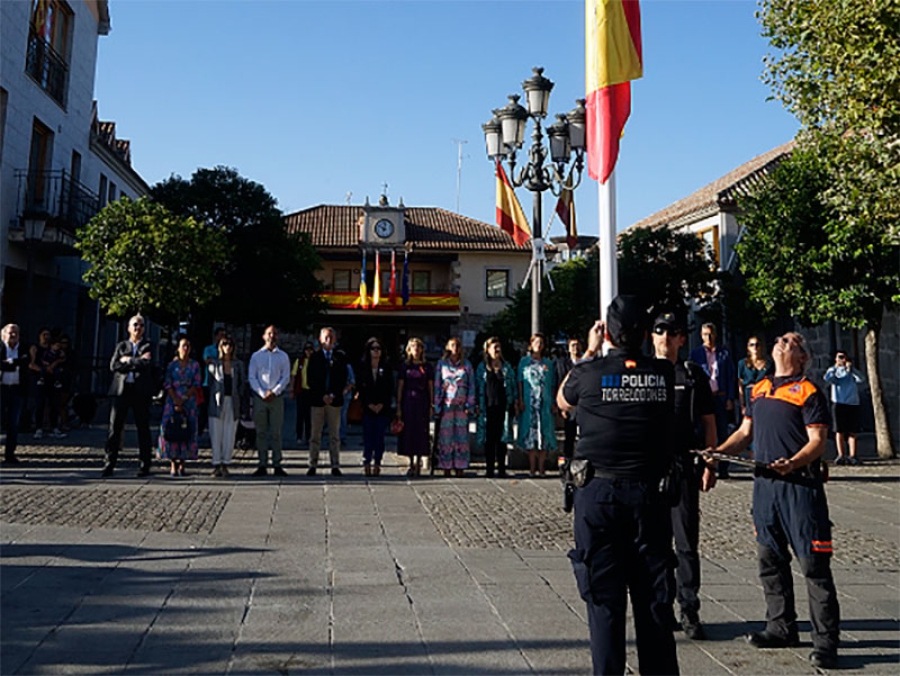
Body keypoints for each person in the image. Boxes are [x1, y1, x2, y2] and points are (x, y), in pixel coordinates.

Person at [557, 295, 678, 676]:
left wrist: (590, 352)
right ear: (644, 334)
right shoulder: (663, 374)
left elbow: (562, 401)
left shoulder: (588, 374)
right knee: (654, 603)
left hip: (600, 495)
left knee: (605, 604)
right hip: (649, 495)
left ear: (607, 332)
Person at [714, 332, 840, 670]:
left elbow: (817, 441)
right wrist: (717, 454)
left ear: (802, 358)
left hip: (800, 487)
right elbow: (744, 433)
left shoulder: (808, 391)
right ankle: (780, 626)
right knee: (769, 560)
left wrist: (794, 462)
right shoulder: (759, 388)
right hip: (765, 487)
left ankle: (826, 642)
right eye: (781, 339)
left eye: (791, 341)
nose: (782, 342)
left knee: (814, 566)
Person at [652, 309, 718, 641]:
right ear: (652, 337)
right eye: (659, 330)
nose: (665, 336)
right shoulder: (644, 373)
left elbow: (708, 421)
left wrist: (711, 463)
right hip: (650, 469)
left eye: (671, 331)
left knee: (686, 542)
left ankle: (689, 607)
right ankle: (661, 605)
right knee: (654, 542)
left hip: (683, 465)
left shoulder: (692, 375)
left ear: (681, 338)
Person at [103, 315, 155, 478]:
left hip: (140, 392)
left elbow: (148, 365)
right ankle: (109, 464)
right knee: (115, 428)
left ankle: (144, 464)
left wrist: (129, 361)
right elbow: (114, 365)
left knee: (143, 429)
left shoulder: (148, 346)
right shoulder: (121, 346)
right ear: (128, 327)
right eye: (135, 325)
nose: (137, 328)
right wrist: (136, 362)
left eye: (141, 325)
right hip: (121, 391)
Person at [690, 322, 737, 478]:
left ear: (715, 335)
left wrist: (730, 398)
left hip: (720, 397)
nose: (708, 338)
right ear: (701, 336)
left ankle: (724, 469)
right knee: (704, 434)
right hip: (704, 398)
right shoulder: (695, 354)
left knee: (723, 434)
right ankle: (705, 468)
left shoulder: (724, 353)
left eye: (710, 334)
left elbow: (731, 377)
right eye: (705, 335)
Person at [248, 325, 291, 477]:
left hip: (276, 398)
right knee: (260, 432)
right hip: (260, 397)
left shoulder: (283, 356)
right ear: (264, 336)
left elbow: (286, 377)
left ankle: (277, 464)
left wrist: (275, 391)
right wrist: (261, 392)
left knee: (276, 432)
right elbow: (252, 377)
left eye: (274, 333)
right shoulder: (256, 356)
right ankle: (262, 464)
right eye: (269, 333)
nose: (272, 336)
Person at [306, 326, 349, 477]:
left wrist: (333, 395)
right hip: (318, 401)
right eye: (326, 337)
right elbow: (310, 379)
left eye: (331, 337)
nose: (328, 340)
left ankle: (335, 465)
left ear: (335, 340)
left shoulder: (340, 357)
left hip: (334, 401)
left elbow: (342, 378)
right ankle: (313, 464)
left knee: (334, 435)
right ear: (320, 339)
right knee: (315, 435)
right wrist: (322, 395)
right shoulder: (315, 357)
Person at [158, 337, 201, 477]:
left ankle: (183, 463)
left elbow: (196, 383)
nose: (185, 349)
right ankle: (172, 463)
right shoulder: (172, 365)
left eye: (188, 346)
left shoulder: (194, 365)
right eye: (183, 346)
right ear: (178, 348)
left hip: (188, 401)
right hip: (172, 400)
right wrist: (176, 399)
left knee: (186, 430)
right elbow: (167, 383)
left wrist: (185, 398)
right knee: (170, 430)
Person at [474, 336, 517, 478]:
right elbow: (477, 386)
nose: (497, 349)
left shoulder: (507, 367)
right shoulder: (482, 368)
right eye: (494, 347)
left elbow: (513, 386)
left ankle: (502, 468)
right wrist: (476, 404)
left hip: (503, 407)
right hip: (487, 407)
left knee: (502, 438)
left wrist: (514, 401)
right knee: (489, 439)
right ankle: (490, 468)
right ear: (487, 350)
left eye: (498, 347)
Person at [517, 333, 557, 477]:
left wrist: (553, 402)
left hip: (544, 404)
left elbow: (552, 384)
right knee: (530, 436)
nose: (538, 345)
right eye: (536, 343)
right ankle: (532, 469)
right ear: (531, 345)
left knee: (544, 435)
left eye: (541, 343)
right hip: (530, 403)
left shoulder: (548, 363)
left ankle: (542, 469)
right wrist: (520, 399)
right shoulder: (524, 362)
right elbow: (520, 382)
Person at [434, 336, 475, 477]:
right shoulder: (442, 364)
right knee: (446, 437)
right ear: (447, 347)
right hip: (447, 404)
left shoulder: (467, 365)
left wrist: (470, 404)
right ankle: (446, 466)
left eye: (457, 345)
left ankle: (460, 466)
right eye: (452, 345)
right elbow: (437, 385)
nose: (455, 348)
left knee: (461, 437)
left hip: (462, 406)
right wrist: (437, 404)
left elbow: (471, 385)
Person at [207, 334, 246, 477]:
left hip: (232, 401)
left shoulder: (238, 364)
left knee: (229, 433)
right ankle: (216, 463)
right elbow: (211, 383)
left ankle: (226, 463)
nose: (227, 347)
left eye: (230, 344)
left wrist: (240, 399)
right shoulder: (214, 364)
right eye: (224, 344)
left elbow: (242, 384)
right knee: (216, 433)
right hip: (217, 402)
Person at [396, 338, 434, 476]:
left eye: (418, 347)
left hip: (422, 402)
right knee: (409, 432)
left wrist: (431, 404)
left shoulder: (427, 367)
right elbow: (400, 386)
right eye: (413, 347)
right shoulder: (405, 366)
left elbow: (430, 386)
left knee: (421, 432)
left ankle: (419, 461)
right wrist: (399, 405)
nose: (416, 349)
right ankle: (411, 462)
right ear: (409, 349)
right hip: (408, 401)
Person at [356, 338, 393, 476]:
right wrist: (369, 403)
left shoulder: (386, 366)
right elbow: (360, 387)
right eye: (373, 348)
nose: (376, 351)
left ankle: (377, 462)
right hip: (368, 407)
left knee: (379, 436)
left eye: (378, 348)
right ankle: (367, 461)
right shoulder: (363, 366)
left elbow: (389, 387)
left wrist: (382, 404)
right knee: (368, 436)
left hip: (382, 407)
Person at [824, 350, 866, 466]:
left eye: (844, 357)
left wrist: (851, 369)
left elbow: (861, 379)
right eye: (839, 357)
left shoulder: (851, 372)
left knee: (853, 431)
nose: (842, 359)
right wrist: (835, 367)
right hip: (839, 403)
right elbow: (827, 378)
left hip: (852, 403)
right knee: (839, 430)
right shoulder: (833, 371)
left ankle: (853, 455)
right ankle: (841, 455)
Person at [1, 324, 29, 464]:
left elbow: (26, 362)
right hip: (2, 388)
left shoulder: (23, 349)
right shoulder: (1, 348)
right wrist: (13, 364)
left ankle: (10, 454)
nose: (13, 336)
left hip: (16, 390)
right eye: (11, 333)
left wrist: (11, 362)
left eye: (16, 333)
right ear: (4, 335)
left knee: (13, 424)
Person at [556, 337, 583, 460]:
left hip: (583, 403)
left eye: (577, 345)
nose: (575, 348)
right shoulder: (563, 364)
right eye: (573, 346)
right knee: (569, 435)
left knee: (585, 435)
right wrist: (561, 407)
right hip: (569, 404)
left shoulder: (586, 362)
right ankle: (568, 461)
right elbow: (560, 382)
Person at [738, 335, 774, 418]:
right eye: (752, 345)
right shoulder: (742, 363)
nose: (755, 347)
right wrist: (742, 404)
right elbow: (740, 385)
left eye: (757, 344)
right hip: (749, 394)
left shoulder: (768, 364)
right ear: (748, 347)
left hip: (763, 394)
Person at [200, 327, 226, 437]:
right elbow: (208, 360)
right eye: (220, 335)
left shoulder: (226, 349)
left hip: (222, 384)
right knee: (204, 410)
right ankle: (199, 432)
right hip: (209, 383)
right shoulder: (209, 349)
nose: (222, 338)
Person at [27, 327, 52, 438]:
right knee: (39, 404)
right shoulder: (35, 349)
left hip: (50, 379)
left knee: (51, 403)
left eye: (48, 335)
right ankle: (38, 427)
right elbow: (31, 364)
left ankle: (50, 426)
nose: (46, 337)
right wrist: (43, 370)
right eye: (44, 334)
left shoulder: (51, 349)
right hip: (38, 378)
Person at [290, 343, 314, 446]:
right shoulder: (299, 361)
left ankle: (309, 436)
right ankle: (299, 436)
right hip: (301, 391)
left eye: (310, 350)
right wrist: (292, 389)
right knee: (300, 415)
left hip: (311, 392)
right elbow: (294, 375)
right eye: (307, 350)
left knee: (310, 416)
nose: (308, 352)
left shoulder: (315, 361)